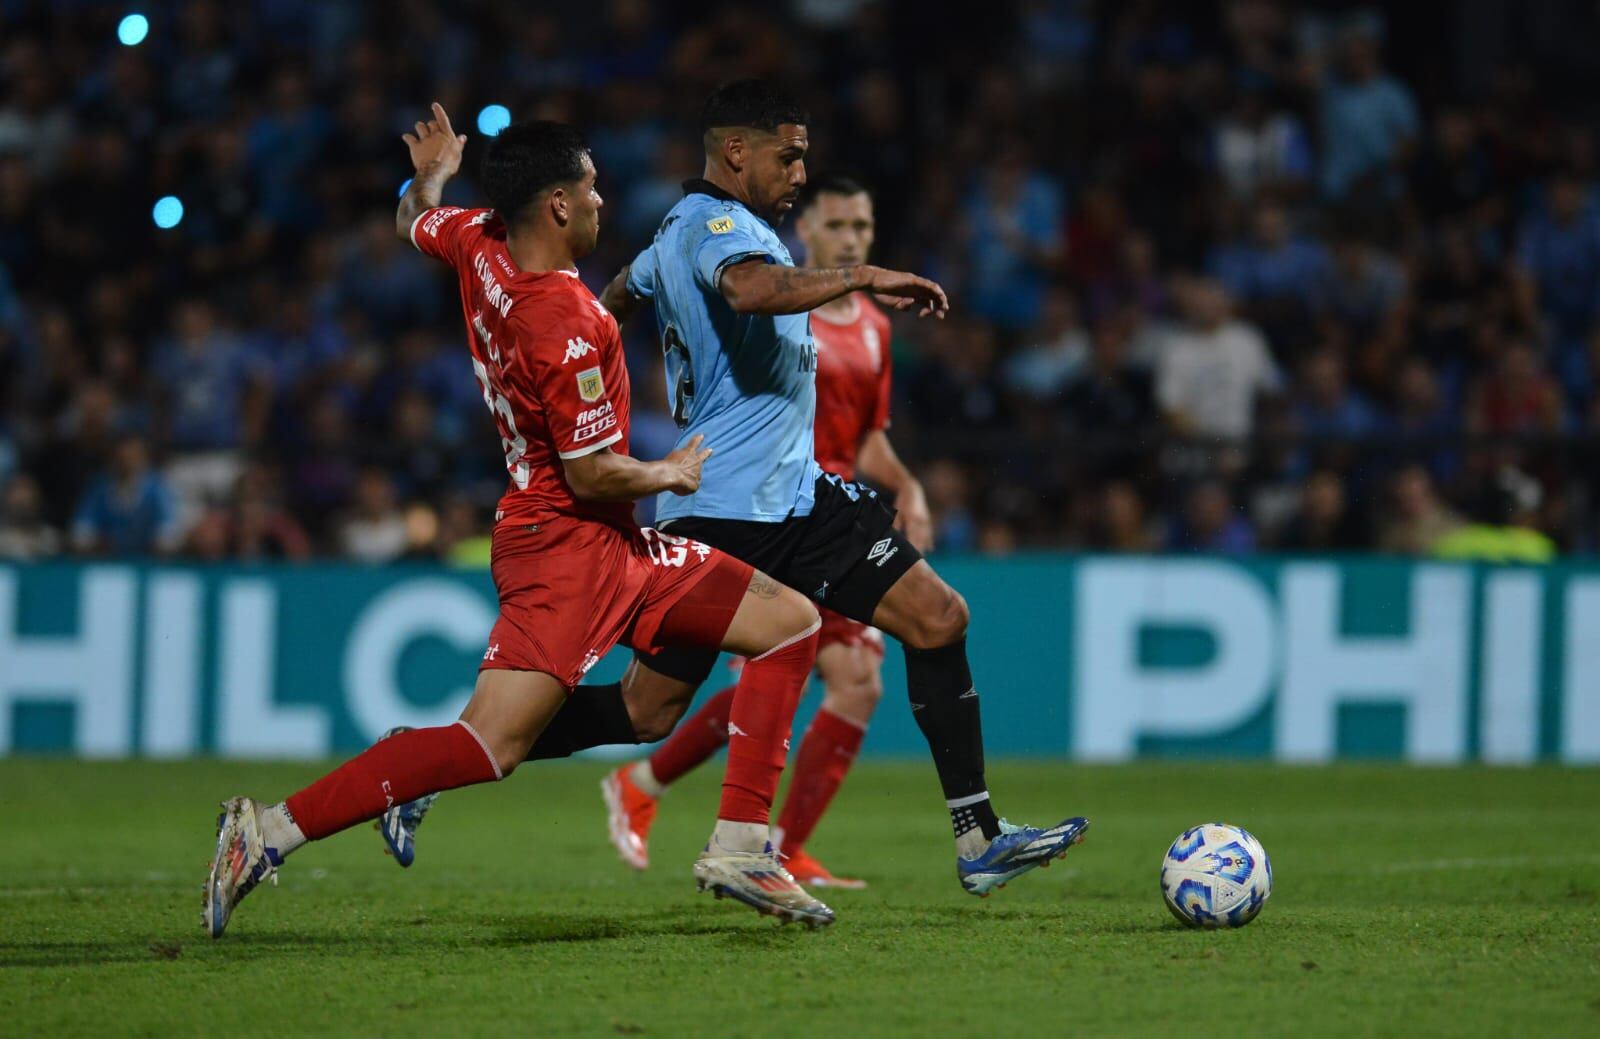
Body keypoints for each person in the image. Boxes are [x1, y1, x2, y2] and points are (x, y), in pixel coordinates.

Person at [387, 81, 1089, 898]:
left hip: (791, 494)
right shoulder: (713, 226)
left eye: (804, 156)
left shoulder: (685, 235)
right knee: (672, 699)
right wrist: (864, 274)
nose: (799, 172)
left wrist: (619, 337)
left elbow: (616, 295)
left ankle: (978, 836)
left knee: (931, 621)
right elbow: (748, 291)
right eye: (787, 155)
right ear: (735, 153)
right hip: (728, 502)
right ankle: (460, 761)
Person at [202, 105, 844, 939]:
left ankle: (741, 844)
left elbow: (413, 219)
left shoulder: (478, 238)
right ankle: (269, 829)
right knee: (489, 748)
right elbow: (591, 470)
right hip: (564, 547)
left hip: (615, 544)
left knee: (781, 629)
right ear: (559, 206)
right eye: (593, 186)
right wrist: (670, 472)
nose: (605, 200)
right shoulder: (567, 324)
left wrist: (428, 178)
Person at [597, 176, 932, 889]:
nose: (852, 239)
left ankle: (696, 806)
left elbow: (868, 439)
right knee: (834, 675)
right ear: (804, 234)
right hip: (770, 508)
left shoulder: (873, 327)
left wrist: (908, 486)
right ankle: (752, 833)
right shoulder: (778, 303)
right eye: (838, 226)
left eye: (863, 227)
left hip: (823, 509)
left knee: (819, 672)